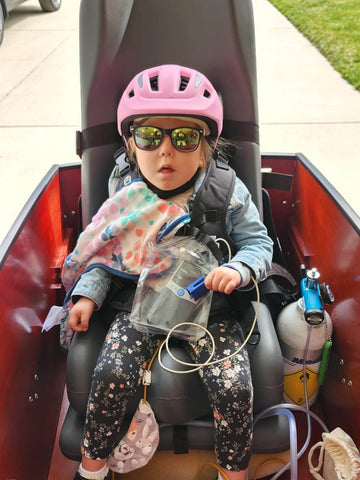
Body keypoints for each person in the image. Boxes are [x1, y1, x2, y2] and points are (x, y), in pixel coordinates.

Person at [64, 64, 273, 480]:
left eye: (183, 137)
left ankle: (234, 473)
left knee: (234, 388)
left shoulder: (228, 192)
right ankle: (92, 468)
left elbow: (259, 244)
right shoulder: (126, 194)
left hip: (210, 309)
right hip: (140, 305)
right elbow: (109, 255)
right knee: (109, 373)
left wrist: (238, 267)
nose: (165, 151)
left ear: (205, 146)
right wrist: (88, 294)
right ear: (130, 143)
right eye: (148, 136)